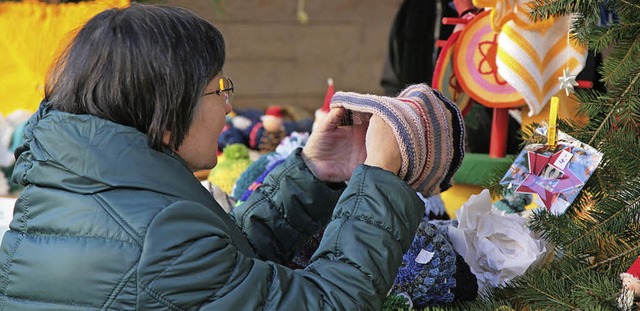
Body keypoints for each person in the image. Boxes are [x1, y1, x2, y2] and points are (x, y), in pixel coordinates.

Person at [0, 4, 429, 310]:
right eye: (218, 88)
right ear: (164, 113)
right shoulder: (161, 239)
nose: (228, 106)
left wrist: (314, 175)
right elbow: (329, 302)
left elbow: (223, 274)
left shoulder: (56, 197)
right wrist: (378, 177)